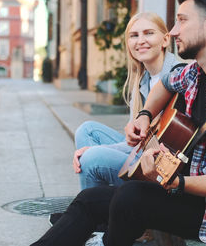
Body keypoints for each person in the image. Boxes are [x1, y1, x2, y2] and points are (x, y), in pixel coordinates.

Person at [32, 0, 206, 246]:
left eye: (182, 21)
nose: (173, 31)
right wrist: (144, 116)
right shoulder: (197, 73)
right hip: (193, 191)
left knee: (130, 198)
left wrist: (174, 182)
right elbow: (165, 83)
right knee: (89, 200)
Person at [72, 12, 179, 190]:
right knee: (87, 130)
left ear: (166, 40)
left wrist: (93, 152)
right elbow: (135, 143)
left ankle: (91, 210)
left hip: (158, 166)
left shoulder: (178, 76)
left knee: (90, 159)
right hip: (142, 150)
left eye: (149, 33)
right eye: (134, 36)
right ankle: (99, 203)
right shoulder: (141, 82)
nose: (141, 40)